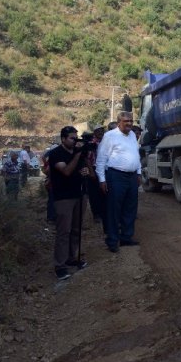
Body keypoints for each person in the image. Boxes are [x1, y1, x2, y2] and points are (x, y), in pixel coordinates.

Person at [96, 111, 141, 253]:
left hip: (132, 176)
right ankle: (112, 241)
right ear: (119, 122)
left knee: (130, 208)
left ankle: (126, 237)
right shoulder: (110, 136)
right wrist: (102, 180)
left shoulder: (133, 135)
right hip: (116, 176)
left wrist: (138, 172)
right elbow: (101, 159)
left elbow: (136, 154)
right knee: (114, 210)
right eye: (126, 121)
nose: (129, 124)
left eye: (131, 121)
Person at [49, 126, 88, 280]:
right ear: (63, 139)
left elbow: (88, 172)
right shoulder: (55, 154)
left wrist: (85, 169)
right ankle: (60, 265)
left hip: (79, 195)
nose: (75, 141)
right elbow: (66, 171)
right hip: (63, 198)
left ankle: (73, 257)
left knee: (76, 229)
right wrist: (78, 155)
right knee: (63, 232)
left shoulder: (78, 153)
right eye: (72, 138)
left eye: (76, 137)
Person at [85, 127, 106, 226]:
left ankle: (103, 213)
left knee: (103, 192)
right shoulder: (91, 143)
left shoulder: (106, 142)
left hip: (103, 169)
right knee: (94, 193)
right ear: (94, 132)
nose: (101, 133)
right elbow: (87, 158)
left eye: (102, 131)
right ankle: (96, 214)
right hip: (93, 168)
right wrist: (91, 171)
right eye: (98, 131)